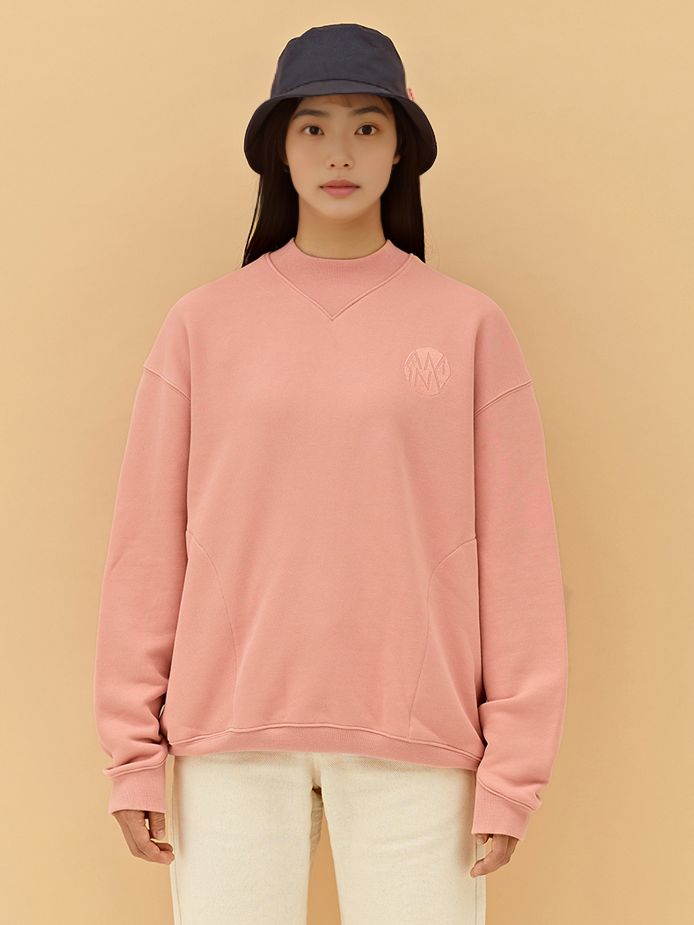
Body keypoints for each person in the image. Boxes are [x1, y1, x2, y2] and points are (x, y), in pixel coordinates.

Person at [93, 22, 568, 925]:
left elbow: (518, 558)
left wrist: (514, 768)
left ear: (400, 150)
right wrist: (133, 753)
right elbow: (146, 549)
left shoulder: (467, 326)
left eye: (366, 126)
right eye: (312, 126)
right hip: (227, 739)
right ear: (279, 147)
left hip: (417, 741)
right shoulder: (203, 325)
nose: (339, 152)